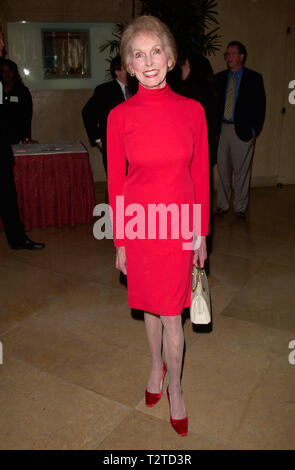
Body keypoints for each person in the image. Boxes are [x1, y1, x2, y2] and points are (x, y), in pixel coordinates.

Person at [107, 16, 209, 436]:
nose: (148, 62)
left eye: (156, 52)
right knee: (148, 306)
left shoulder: (193, 111)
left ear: (170, 59)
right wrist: (121, 240)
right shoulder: (119, 116)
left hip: (180, 225)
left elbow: (200, 173)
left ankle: (177, 388)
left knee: (171, 315)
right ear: (128, 66)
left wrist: (201, 232)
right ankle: (155, 367)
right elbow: (116, 180)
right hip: (140, 226)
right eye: (138, 54)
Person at [0, 34, 45, 250]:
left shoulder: (21, 91)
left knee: (9, 197)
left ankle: (17, 239)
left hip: (7, 146)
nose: (3, 45)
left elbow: (25, 116)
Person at [215, 41, 266, 219]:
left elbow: (261, 107)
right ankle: (222, 205)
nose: (228, 57)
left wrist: (254, 130)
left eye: (232, 54)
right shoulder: (219, 78)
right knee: (223, 170)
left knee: (242, 172)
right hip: (222, 129)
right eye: (227, 54)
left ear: (241, 56)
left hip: (243, 131)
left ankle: (240, 208)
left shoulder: (254, 78)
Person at [177, 54, 218, 261]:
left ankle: (188, 253)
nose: (181, 68)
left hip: (188, 159)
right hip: (206, 155)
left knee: (187, 206)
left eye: (184, 64)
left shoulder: (187, 96)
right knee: (201, 203)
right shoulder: (212, 92)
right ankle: (197, 249)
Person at [82, 55, 131, 174]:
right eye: (127, 68)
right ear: (117, 72)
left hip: (135, 149)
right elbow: (87, 113)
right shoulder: (104, 90)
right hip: (113, 146)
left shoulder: (138, 89)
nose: (131, 71)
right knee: (118, 187)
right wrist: (98, 140)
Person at [0, 59, 36, 144]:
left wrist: (27, 137)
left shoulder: (23, 91)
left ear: (15, 73)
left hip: (18, 138)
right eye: (3, 71)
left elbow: (27, 116)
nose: (7, 74)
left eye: (9, 71)